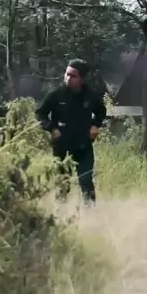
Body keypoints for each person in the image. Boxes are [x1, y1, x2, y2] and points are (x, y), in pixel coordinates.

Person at [35, 59, 106, 205]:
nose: (68, 78)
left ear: (81, 79)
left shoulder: (90, 96)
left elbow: (101, 112)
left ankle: (91, 212)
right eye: (67, 74)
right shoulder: (56, 95)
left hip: (83, 145)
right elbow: (40, 114)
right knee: (62, 182)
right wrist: (51, 128)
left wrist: (96, 125)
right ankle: (60, 213)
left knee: (86, 181)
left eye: (73, 76)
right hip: (62, 145)